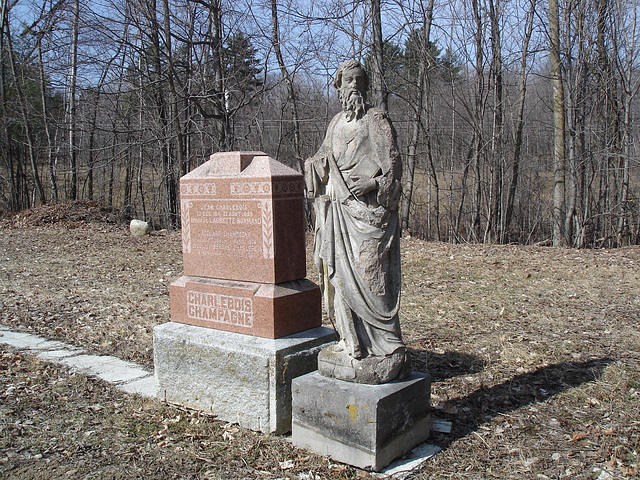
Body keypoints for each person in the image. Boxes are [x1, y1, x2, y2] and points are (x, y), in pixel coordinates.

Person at [305, 60, 408, 384]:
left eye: (358, 80)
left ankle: (389, 348)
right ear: (338, 86)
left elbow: (394, 167)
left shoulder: (376, 120)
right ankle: (352, 343)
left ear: (365, 86)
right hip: (338, 214)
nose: (352, 85)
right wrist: (314, 164)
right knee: (340, 282)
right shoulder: (335, 123)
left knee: (372, 278)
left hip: (368, 217)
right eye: (346, 80)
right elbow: (324, 157)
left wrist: (374, 185)